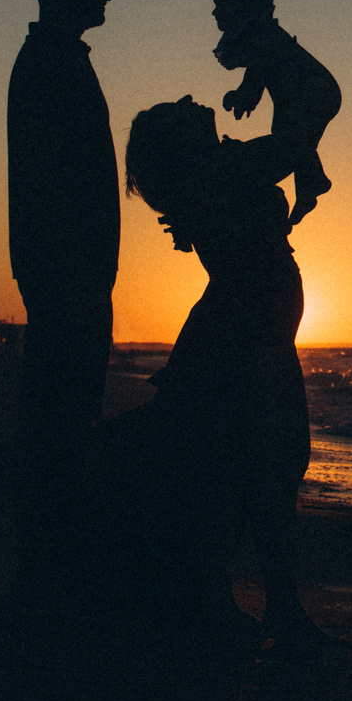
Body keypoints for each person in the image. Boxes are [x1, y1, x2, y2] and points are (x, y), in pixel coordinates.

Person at [113, 96, 339, 654]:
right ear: (182, 141)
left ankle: (236, 604)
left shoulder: (215, 171)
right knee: (264, 469)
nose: (194, 98)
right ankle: (266, 608)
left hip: (246, 330)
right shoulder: (223, 169)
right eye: (182, 107)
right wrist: (275, 54)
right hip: (247, 333)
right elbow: (309, 119)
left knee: (245, 472)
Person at [6, 0, 119, 620]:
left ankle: (49, 577)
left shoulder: (57, 61)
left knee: (66, 417)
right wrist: (67, 273)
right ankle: (46, 581)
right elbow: (51, 183)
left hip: (72, 273)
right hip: (65, 273)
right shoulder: (48, 64)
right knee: (59, 422)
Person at [210, 0, 342, 227]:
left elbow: (259, 68)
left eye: (221, 5)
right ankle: (310, 185)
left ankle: (313, 183)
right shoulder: (259, 34)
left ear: (242, 6)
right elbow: (258, 70)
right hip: (303, 91)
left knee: (291, 135)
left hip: (314, 89)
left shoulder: (261, 35)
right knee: (291, 139)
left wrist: (245, 95)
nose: (215, 12)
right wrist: (245, 95)